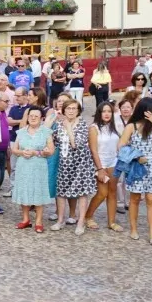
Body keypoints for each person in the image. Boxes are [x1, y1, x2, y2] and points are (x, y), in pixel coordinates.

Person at [119, 97, 152, 245]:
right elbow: (121, 146)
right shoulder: (132, 126)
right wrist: (136, 157)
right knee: (135, 198)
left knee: (151, 199)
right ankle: (133, 229)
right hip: (136, 165)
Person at [50, 98, 97, 235]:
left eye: (74, 108)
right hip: (64, 162)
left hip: (80, 163)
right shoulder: (59, 124)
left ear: (78, 111)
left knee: (82, 193)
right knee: (61, 192)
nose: (71, 111)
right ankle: (60, 220)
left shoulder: (83, 124)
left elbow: (76, 143)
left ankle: (81, 222)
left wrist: (69, 127)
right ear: (64, 110)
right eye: (68, 108)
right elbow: (52, 139)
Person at [11, 106, 54, 232]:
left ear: (41, 118)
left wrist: (38, 152)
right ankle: (25, 219)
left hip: (39, 166)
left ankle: (39, 221)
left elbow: (51, 150)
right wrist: (22, 152)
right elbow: (14, 149)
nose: (33, 118)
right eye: (31, 116)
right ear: (28, 117)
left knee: (38, 191)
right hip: (23, 165)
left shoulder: (46, 132)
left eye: (36, 116)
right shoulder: (22, 131)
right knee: (24, 190)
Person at [85, 101, 123, 233]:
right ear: (99, 113)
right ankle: (88, 216)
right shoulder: (94, 128)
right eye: (104, 111)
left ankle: (111, 222)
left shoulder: (115, 127)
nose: (107, 114)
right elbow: (93, 150)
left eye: (109, 111)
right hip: (100, 163)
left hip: (114, 162)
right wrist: (99, 169)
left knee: (112, 193)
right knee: (102, 193)